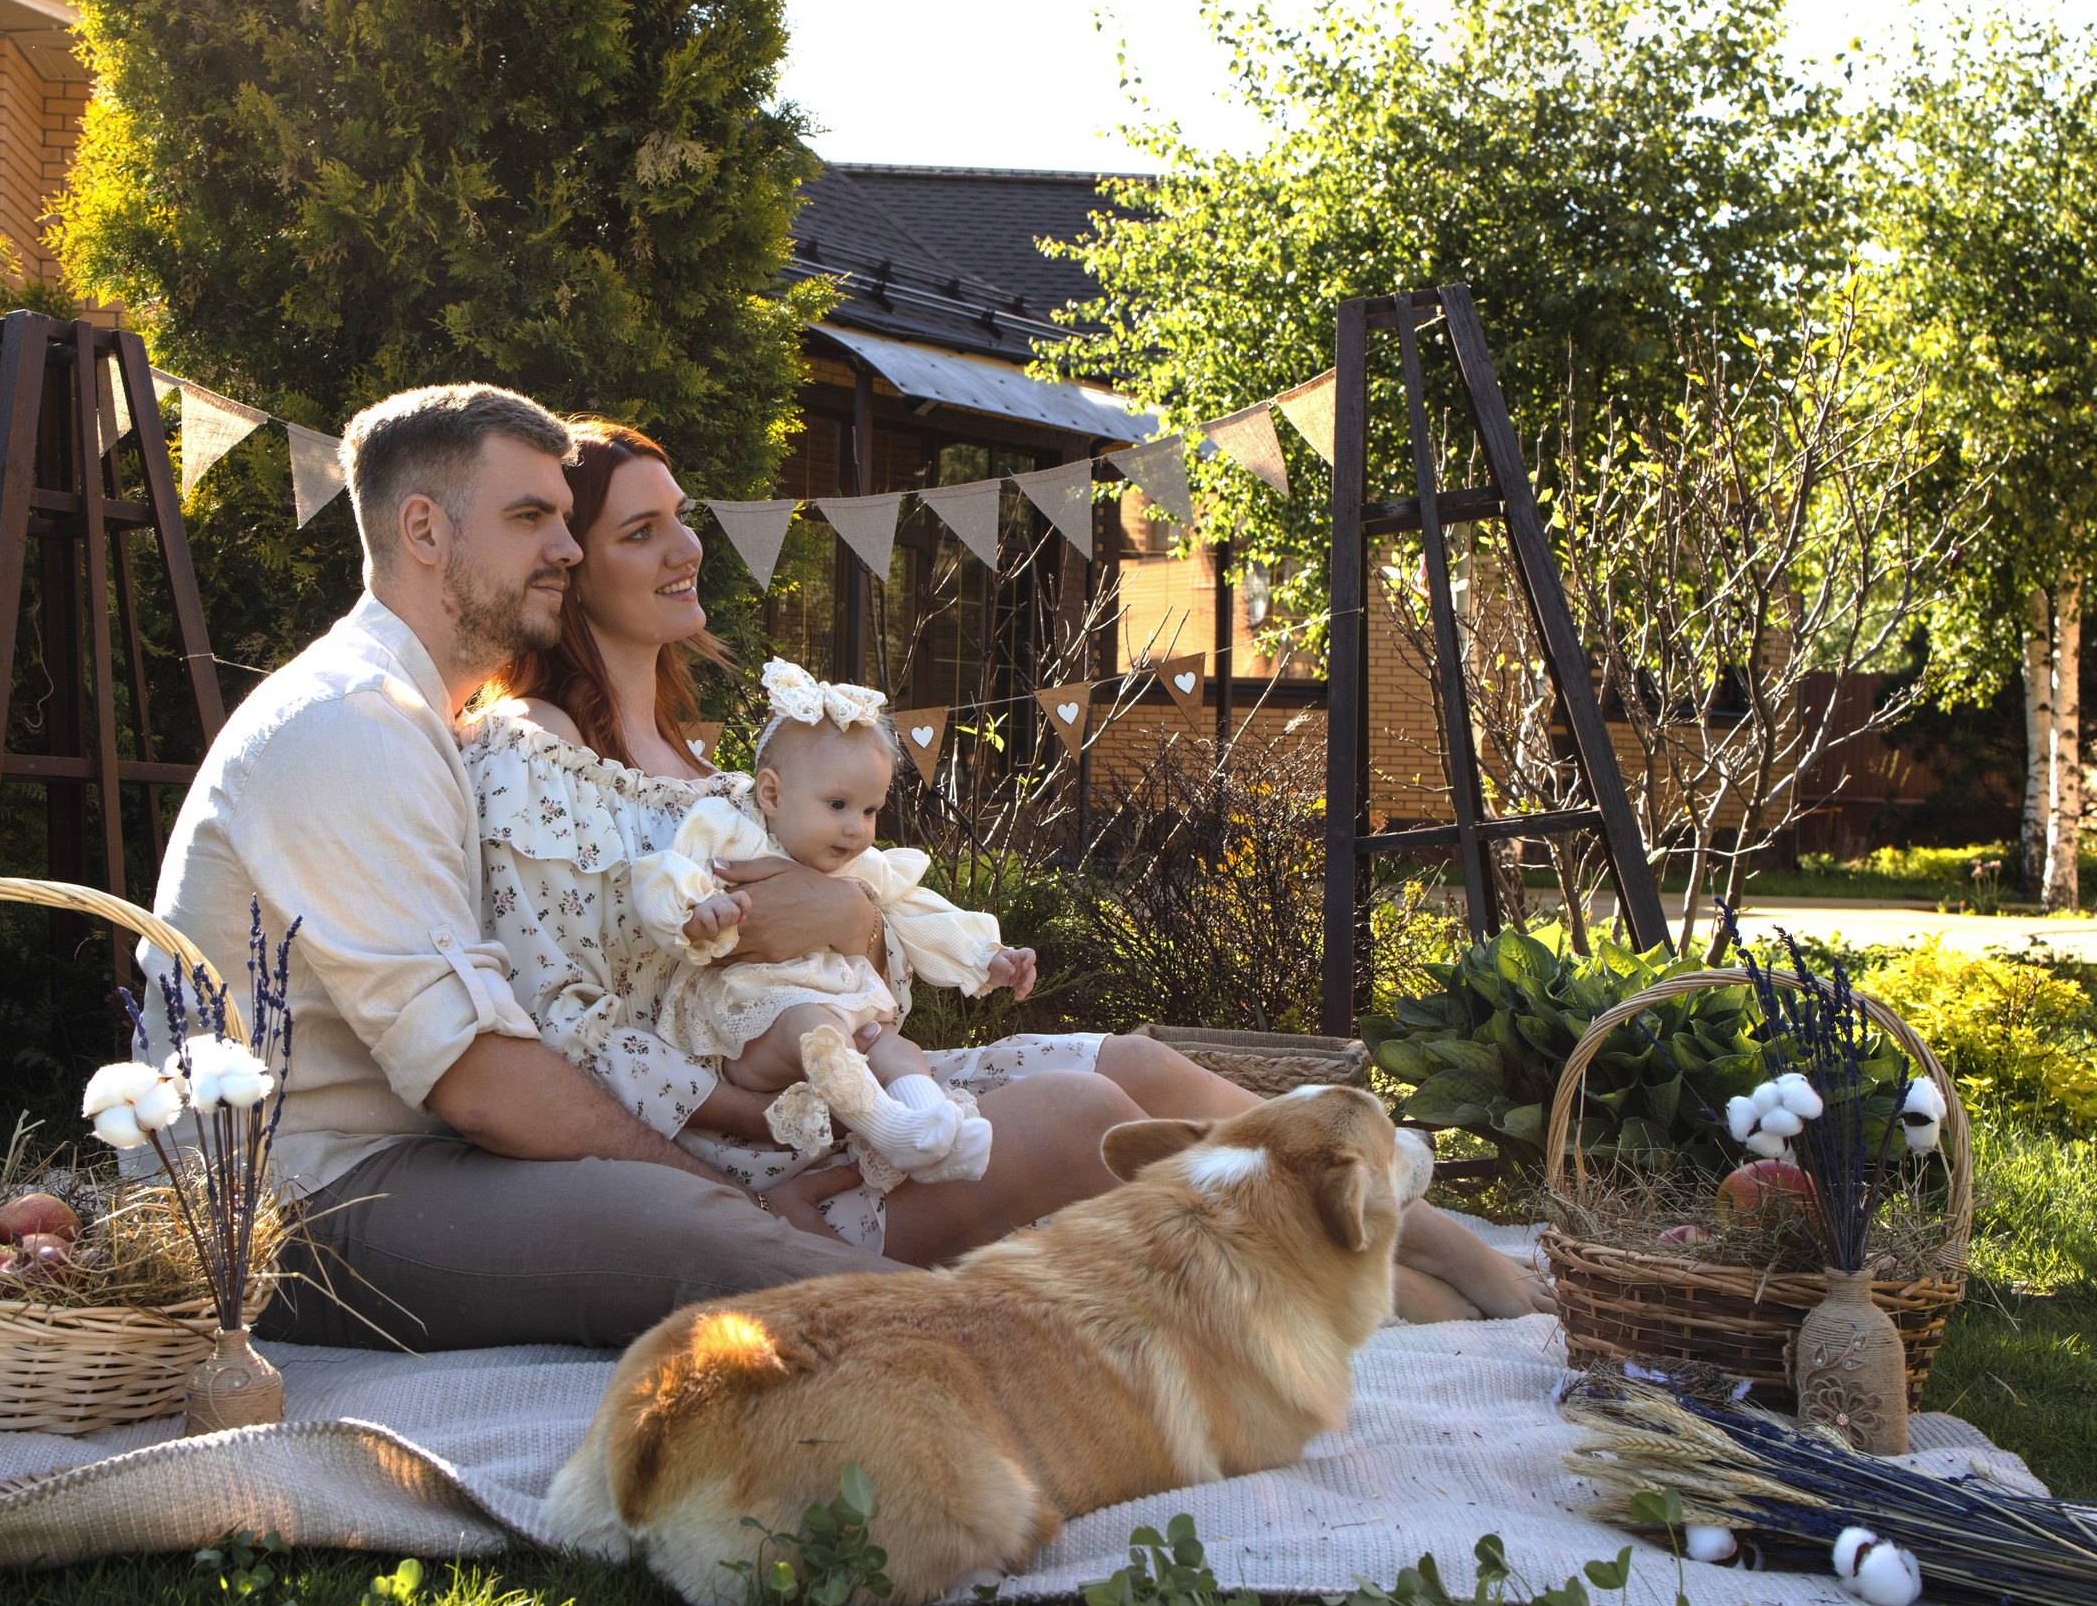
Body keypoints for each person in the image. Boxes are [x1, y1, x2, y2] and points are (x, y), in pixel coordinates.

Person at [469, 417, 1552, 1320]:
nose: (685, 551)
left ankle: (1435, 1251)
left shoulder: (718, 763)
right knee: (1090, 1116)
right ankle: (1402, 1295)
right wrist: (741, 1132)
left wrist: (846, 920)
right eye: (641, 532)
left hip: (868, 1079)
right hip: (761, 1150)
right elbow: (558, 1017)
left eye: (684, 523)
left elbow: (863, 961)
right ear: (569, 562)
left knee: (1141, 1065)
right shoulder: (536, 755)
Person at [141, 384, 901, 1356]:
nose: (570, 549)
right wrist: (722, 1189)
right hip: (286, 1209)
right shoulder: (347, 724)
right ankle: (1000, 1345)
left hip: (405, 1163)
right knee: (685, 1232)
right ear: (424, 529)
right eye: (531, 516)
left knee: (708, 1208)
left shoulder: (416, 722)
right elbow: (481, 1083)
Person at [627, 658, 1038, 1247]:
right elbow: (666, 873)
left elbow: (915, 908)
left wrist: (986, 955)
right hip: (750, 1022)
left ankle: (928, 1123)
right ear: (771, 793)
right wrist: (699, 913)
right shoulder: (729, 830)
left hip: (841, 1020)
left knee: (893, 1045)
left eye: (870, 811)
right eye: (838, 805)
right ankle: (888, 1125)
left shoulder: (855, 864)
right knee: (813, 1023)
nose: (856, 830)